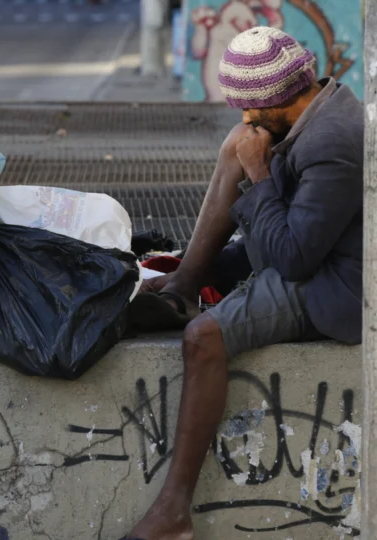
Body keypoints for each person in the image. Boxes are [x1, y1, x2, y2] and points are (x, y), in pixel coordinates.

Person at [123, 26, 363, 540]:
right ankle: (185, 282)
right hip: (303, 248)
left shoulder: (332, 143)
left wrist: (259, 174)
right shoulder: (314, 109)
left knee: (203, 337)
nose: (245, 118)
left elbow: (295, 259)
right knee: (239, 148)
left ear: (277, 100)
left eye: (249, 109)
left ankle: (173, 515)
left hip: (334, 286)